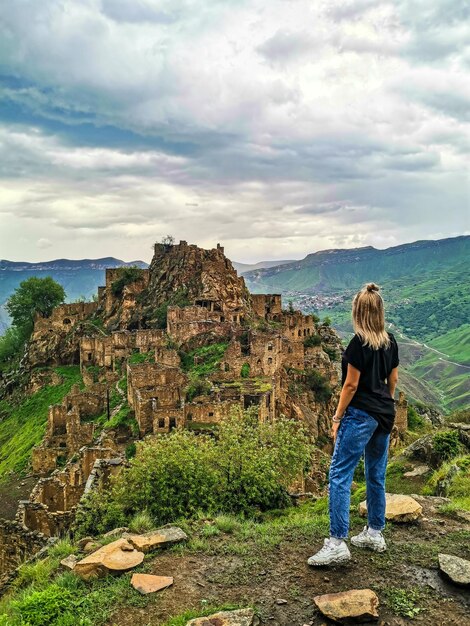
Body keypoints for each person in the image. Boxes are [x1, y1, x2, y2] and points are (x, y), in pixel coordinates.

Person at [308, 283, 399, 566]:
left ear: (358, 312)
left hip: (360, 414)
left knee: (339, 474)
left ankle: (336, 542)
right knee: (375, 474)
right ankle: (374, 532)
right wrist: (385, 404)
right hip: (384, 414)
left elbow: (350, 385)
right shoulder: (391, 341)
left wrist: (337, 418)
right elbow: (392, 381)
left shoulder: (358, 344)